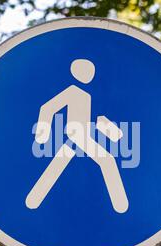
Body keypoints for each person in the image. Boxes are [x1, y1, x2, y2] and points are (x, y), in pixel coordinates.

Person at [26, 59, 129, 213]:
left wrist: (114, 134)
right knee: (107, 160)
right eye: (87, 71)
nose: (90, 74)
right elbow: (48, 108)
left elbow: (97, 119)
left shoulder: (89, 95)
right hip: (76, 134)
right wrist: (42, 134)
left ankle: (33, 200)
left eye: (91, 71)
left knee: (58, 164)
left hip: (82, 134)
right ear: (77, 73)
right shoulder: (72, 91)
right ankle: (121, 205)